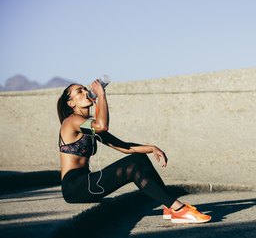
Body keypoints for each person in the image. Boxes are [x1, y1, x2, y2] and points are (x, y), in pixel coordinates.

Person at [57, 80, 211, 224]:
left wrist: (151, 148)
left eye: (85, 89)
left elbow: (124, 147)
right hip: (75, 187)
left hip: (86, 182)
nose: (85, 92)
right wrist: (102, 95)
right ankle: (178, 208)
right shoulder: (71, 121)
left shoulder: (87, 125)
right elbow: (102, 125)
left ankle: (170, 205)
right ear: (71, 103)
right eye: (79, 91)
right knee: (134, 164)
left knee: (139, 158)